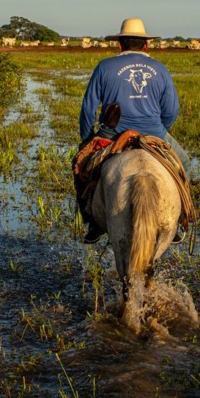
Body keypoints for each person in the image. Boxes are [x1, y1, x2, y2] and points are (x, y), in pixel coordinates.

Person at [77, 17, 188, 244]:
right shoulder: (160, 68)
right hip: (154, 132)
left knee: (79, 166)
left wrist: (87, 140)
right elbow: (172, 109)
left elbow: (88, 109)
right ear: (146, 45)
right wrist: (157, 130)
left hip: (111, 134)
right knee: (188, 166)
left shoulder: (104, 66)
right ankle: (179, 221)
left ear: (119, 44)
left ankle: (92, 221)